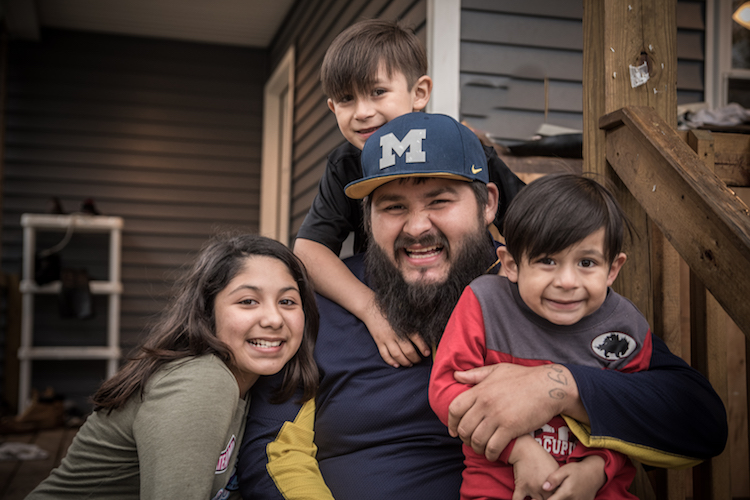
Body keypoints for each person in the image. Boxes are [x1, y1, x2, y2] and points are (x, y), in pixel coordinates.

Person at [237, 113, 727, 500]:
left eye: (439, 200)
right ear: (367, 218)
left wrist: (561, 386)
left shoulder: (549, 294)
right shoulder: (327, 305)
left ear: (489, 204)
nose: (416, 227)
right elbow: (268, 448)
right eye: (393, 206)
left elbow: (700, 424)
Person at [293, 18, 526, 369]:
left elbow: (532, 226)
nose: (362, 112)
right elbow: (308, 249)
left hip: (462, 298)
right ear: (331, 108)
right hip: (391, 296)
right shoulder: (346, 163)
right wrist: (372, 311)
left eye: (377, 92)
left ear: (419, 93)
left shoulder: (462, 148)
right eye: (346, 99)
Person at [26, 234, 319, 500]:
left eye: (287, 301)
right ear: (207, 313)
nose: (274, 319)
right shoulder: (202, 381)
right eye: (248, 301)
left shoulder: (251, 385)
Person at [430, 174, 659, 500]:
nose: (567, 281)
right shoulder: (485, 304)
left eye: (586, 262)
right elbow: (447, 389)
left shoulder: (626, 328)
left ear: (612, 269)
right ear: (511, 264)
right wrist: (520, 450)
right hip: (499, 490)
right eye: (547, 260)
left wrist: (597, 470)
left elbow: (633, 417)